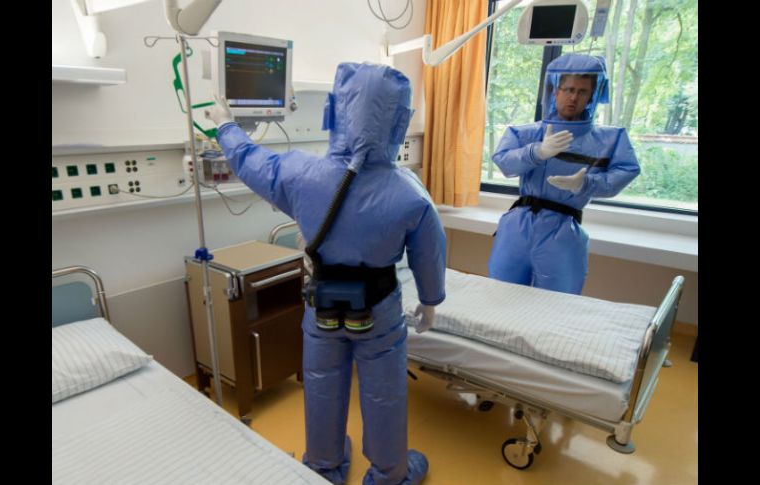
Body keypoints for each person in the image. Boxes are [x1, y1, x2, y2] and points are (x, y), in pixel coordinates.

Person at [206, 62, 446, 485]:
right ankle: (390, 473)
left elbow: (248, 160)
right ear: (399, 120)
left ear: (333, 110)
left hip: (322, 306)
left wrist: (226, 124)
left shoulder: (301, 174)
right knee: (383, 393)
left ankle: (324, 466)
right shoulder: (410, 194)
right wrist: (430, 302)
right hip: (380, 309)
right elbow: (430, 254)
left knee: (321, 384)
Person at [487, 54, 640, 294]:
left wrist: (586, 183)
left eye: (582, 91)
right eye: (568, 89)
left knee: (558, 302)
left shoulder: (609, 139)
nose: (573, 97)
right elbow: (504, 162)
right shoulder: (526, 134)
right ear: (555, 90)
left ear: (592, 96)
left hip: (563, 231)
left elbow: (626, 171)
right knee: (500, 294)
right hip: (518, 225)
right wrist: (536, 152)